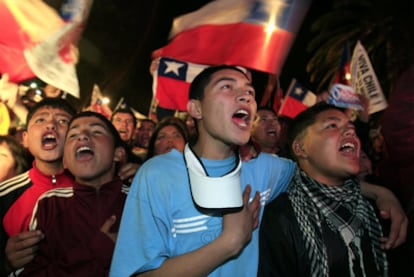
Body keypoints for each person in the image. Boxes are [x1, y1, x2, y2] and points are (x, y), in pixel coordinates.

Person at [110, 65, 407, 277]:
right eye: (227, 87)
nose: (246, 97)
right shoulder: (157, 175)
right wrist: (229, 243)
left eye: (250, 92)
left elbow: (318, 174)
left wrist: (381, 193)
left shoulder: (266, 170)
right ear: (195, 109)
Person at [258, 102, 389, 276]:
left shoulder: (379, 209)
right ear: (300, 148)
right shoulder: (278, 220)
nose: (351, 132)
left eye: (352, 128)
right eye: (332, 125)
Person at [20, 111, 129, 276]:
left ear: (118, 154)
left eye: (97, 131)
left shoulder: (139, 200)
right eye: (73, 135)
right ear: (65, 161)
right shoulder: (50, 204)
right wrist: (96, 253)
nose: (82, 137)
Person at [0, 97, 76, 276]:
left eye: (62, 121)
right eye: (40, 120)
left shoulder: (95, 189)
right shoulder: (4, 197)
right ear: (25, 139)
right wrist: (5, 263)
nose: (51, 125)